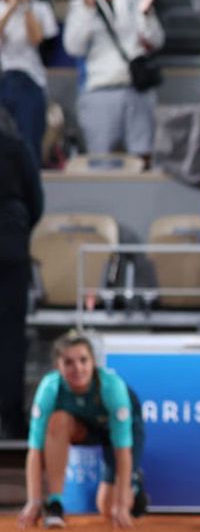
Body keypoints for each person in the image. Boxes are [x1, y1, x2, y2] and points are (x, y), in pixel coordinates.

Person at [17, 331, 147, 529]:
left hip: (118, 433)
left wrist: (121, 506)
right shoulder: (50, 388)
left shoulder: (112, 388)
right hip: (82, 428)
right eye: (68, 362)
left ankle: (134, 486)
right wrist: (34, 500)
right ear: (57, 366)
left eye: (83, 360)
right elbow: (35, 449)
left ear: (93, 362)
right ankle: (55, 504)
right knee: (57, 420)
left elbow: (122, 451)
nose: (77, 368)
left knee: (108, 506)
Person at [62, 0, 164, 164]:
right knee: (100, 159)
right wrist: (89, 8)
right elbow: (73, 46)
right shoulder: (79, 6)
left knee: (142, 157)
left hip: (137, 88)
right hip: (99, 90)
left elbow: (156, 40)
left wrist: (146, 16)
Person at [0, 112, 40, 440]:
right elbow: (35, 201)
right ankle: (12, 422)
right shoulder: (16, 147)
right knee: (11, 339)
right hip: (11, 249)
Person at [0, 0, 58, 166]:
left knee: (28, 146)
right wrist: (10, 7)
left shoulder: (40, 8)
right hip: (3, 78)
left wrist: (23, 6)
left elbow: (37, 39)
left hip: (30, 82)